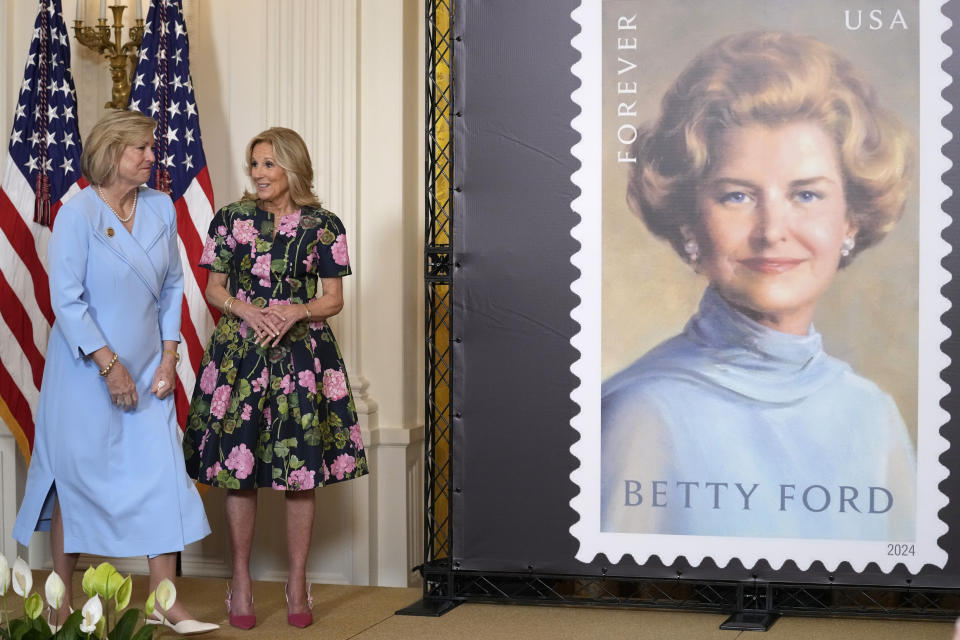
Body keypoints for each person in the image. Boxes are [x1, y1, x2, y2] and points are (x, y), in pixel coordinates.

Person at [601, 31, 916, 540]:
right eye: (737, 196)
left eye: (807, 195)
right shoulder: (639, 415)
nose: (772, 230)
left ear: (851, 221)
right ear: (688, 222)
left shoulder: (873, 416)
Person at [12, 110, 218, 635]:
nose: (153, 157)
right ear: (111, 154)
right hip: (86, 371)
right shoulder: (75, 214)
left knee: (161, 476)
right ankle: (60, 601)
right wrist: (109, 366)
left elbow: (174, 286)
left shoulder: (160, 208)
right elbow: (67, 301)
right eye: (142, 149)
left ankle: (163, 602)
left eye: (151, 147)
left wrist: (170, 356)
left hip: (150, 367)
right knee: (74, 482)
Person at [182, 127, 367, 629]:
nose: (258, 174)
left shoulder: (324, 224)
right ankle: (239, 582)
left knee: (299, 474)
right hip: (239, 357)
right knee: (238, 474)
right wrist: (247, 310)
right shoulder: (231, 219)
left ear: (291, 167)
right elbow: (213, 287)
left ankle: (296, 583)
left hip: (302, 359)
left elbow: (333, 299)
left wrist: (295, 312)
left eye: (268, 164)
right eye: (254, 164)